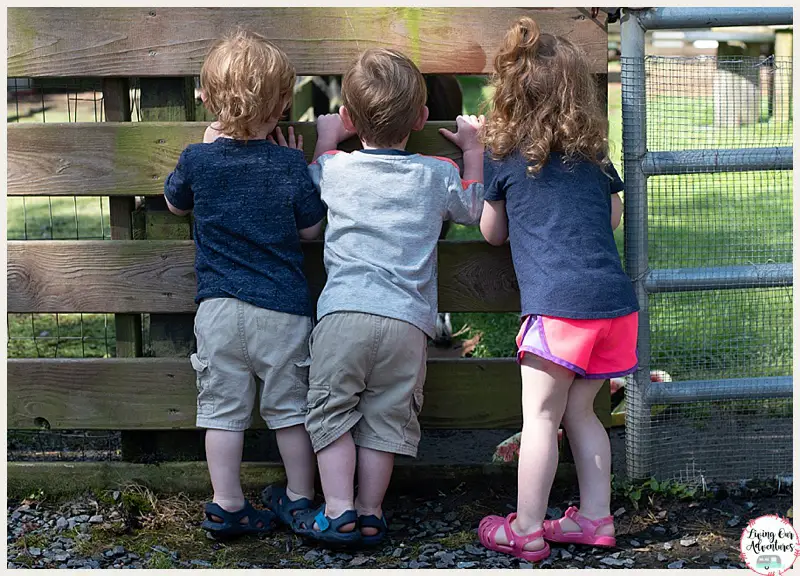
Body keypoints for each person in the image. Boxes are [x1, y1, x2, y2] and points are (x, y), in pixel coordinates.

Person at [287, 48, 484, 546]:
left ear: (350, 119)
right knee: (384, 421)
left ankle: (337, 509)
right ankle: (372, 511)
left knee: (331, 413)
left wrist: (326, 141)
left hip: (343, 317)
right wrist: (475, 152)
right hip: (407, 326)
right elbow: (472, 208)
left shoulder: (334, 168)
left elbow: (307, 202)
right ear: (421, 118)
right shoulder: (437, 173)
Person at [476, 17, 639, 561]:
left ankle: (525, 528)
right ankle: (595, 521)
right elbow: (614, 215)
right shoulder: (594, 156)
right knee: (583, 414)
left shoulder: (506, 157)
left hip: (558, 313)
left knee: (540, 419)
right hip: (612, 309)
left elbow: (491, 232)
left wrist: (480, 160)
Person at [163, 30, 325, 538]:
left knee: (222, 412)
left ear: (207, 98)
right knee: (290, 411)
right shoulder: (287, 163)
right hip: (281, 311)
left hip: (218, 311)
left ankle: (227, 503)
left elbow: (175, 202)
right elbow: (311, 229)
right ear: (281, 105)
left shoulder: (197, 158)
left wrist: (208, 150)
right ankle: (300, 499)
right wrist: (298, 166)